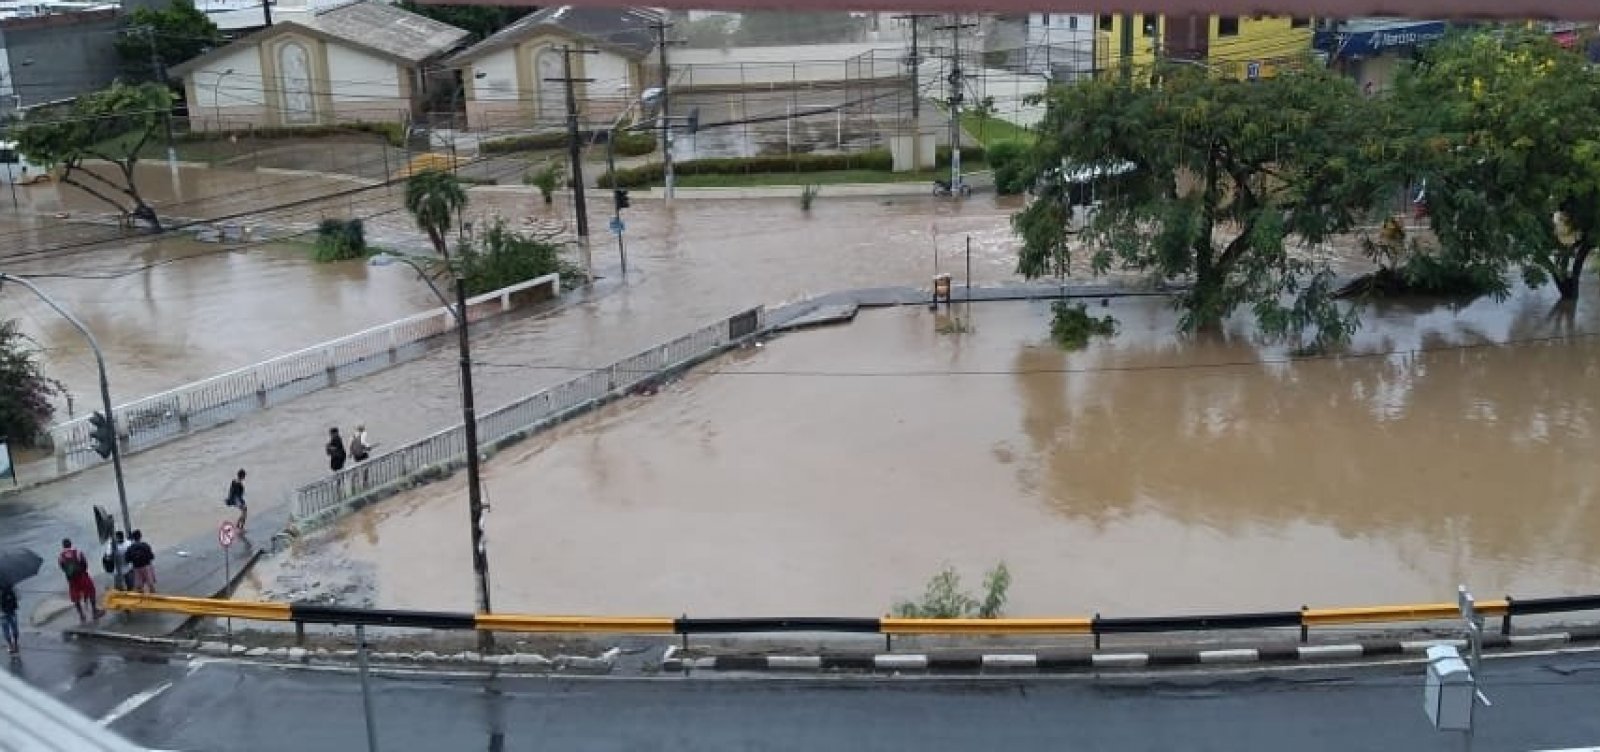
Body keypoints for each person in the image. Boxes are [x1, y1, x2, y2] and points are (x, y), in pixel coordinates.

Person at [58, 539, 101, 622]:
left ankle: (81, 615)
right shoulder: (78, 553)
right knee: (91, 591)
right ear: (71, 544)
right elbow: (85, 564)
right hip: (82, 576)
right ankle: (94, 611)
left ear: (63, 546)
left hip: (72, 580)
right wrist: (82, 571)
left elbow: (63, 568)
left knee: (75, 597)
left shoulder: (61, 557)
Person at [125, 530, 156, 595]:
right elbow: (151, 556)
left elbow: (127, 559)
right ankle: (154, 597)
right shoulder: (145, 545)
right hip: (146, 566)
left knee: (139, 587)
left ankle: (141, 599)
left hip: (137, 568)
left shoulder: (130, 548)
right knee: (150, 584)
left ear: (133, 538)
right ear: (140, 536)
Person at [1, 583, 19, 654]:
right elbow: (18, 597)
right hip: (11, 611)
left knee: (6, 630)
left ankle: (10, 646)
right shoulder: (9, 586)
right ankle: (15, 644)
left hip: (2, 613)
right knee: (14, 627)